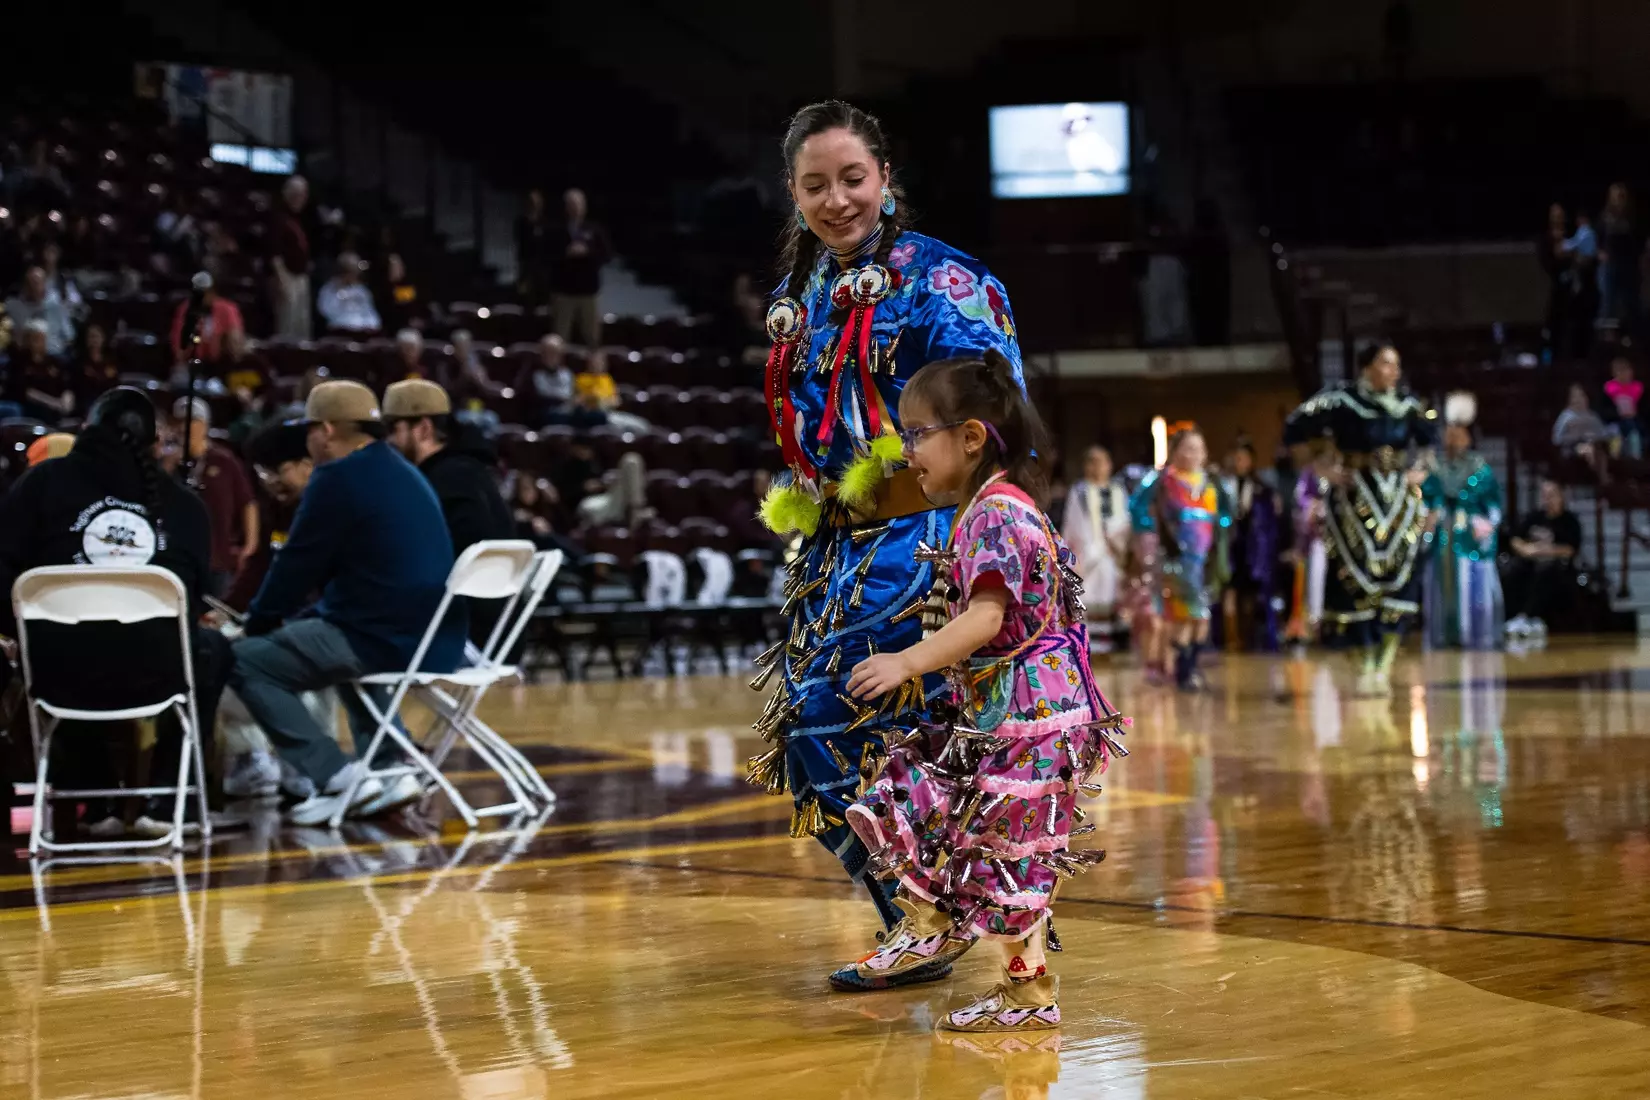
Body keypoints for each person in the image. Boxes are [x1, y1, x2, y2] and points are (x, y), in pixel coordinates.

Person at [745, 100, 1025, 942]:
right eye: (816, 185)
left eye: (852, 179)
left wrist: (984, 539)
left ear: (885, 178)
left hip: (927, 544)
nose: (836, 201)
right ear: (793, 193)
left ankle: (940, 914)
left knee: (854, 724)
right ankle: (927, 915)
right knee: (811, 742)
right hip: (836, 552)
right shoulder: (801, 293)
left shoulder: (945, 281)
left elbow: (994, 415)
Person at [833, 350, 1122, 1031]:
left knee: (1004, 850)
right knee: (939, 811)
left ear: (970, 437)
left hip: (1028, 716)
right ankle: (942, 928)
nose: (906, 451)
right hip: (1010, 710)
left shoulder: (996, 513)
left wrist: (907, 662)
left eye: (916, 434)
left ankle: (1024, 992)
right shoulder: (991, 505)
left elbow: (987, 617)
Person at [229, 380, 466, 825]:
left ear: (326, 430)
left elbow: (295, 566)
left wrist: (257, 622)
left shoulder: (336, 477)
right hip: (439, 638)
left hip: (384, 640)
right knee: (333, 636)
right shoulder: (402, 471)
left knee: (244, 661)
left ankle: (334, 776)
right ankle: (389, 766)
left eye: (309, 430)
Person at [0, 387, 228, 838]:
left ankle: (94, 798)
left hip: (56, 672)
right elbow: (196, 599)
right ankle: (167, 800)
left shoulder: (39, 485)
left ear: (87, 429)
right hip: (159, 673)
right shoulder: (184, 505)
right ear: (156, 441)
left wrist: (17, 635)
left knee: (59, 645)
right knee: (212, 652)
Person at [1284, 342, 1437, 697]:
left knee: (1398, 578)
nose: (1393, 371)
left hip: (1398, 503)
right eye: (1385, 363)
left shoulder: (1408, 405)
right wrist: (1322, 467)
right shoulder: (1342, 400)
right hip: (1354, 500)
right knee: (1355, 577)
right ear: (1367, 367)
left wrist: (1419, 471)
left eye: (1396, 364)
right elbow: (1295, 427)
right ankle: (1364, 662)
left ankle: (1384, 664)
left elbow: (1430, 441)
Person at [383, 379, 514, 644]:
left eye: (393, 429)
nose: (387, 442)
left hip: (453, 636)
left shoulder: (436, 484)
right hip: (501, 635)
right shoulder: (475, 473)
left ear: (423, 429)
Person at [1148, 425, 1229, 690]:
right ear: (1175, 452)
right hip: (1178, 560)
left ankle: (1188, 667)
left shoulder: (1212, 484)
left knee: (1200, 618)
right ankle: (1183, 670)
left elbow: (1223, 519)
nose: (1193, 454)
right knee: (1189, 616)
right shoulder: (1166, 483)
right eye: (1187, 449)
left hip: (1206, 560)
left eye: (1198, 449)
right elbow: (1148, 515)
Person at [1423, 399, 1503, 650]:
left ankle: (1474, 633)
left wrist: (1486, 522)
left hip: (1469, 535)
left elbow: (1492, 503)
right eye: (1449, 433)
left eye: (1458, 434)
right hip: (1444, 532)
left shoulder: (1478, 467)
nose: (1452, 439)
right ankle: (1444, 634)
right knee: (1443, 580)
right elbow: (1429, 496)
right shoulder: (1435, 466)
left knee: (1472, 581)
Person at [169, 397, 258, 598]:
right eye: (179, 422)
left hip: (218, 559)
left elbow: (248, 502)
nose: (184, 428)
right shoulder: (170, 464)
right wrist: (168, 466)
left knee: (219, 608)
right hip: (181, 558)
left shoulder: (224, 460)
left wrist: (250, 546)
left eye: (191, 421)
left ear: (205, 425)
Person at [1060, 445, 1128, 651]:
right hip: (1088, 554)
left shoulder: (1118, 491)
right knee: (1088, 597)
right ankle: (1090, 646)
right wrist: (1073, 556)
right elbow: (1073, 524)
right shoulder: (1080, 491)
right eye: (1092, 462)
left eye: (1102, 462)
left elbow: (1126, 521)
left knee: (1112, 596)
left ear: (1109, 465)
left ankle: (1111, 644)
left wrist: (1116, 539)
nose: (1097, 467)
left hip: (1113, 553)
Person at [1221, 438, 1281, 652]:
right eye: (1236, 458)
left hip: (1252, 550)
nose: (1239, 463)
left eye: (1243, 458)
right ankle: (1230, 638)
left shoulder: (1261, 489)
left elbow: (1269, 525)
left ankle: (1251, 638)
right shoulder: (1223, 486)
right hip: (1229, 547)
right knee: (1229, 591)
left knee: (1252, 595)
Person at [1504, 478, 1581, 640]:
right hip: (1530, 563)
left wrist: (1541, 551)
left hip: (1556, 568)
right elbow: (1515, 539)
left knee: (1545, 572)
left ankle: (1528, 616)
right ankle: (1511, 616)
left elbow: (1570, 549)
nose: (1547, 499)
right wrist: (1525, 549)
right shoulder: (1534, 517)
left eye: (1551, 495)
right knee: (1513, 570)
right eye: (1544, 495)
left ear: (1561, 496)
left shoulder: (1569, 521)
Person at [549, 188, 610, 346]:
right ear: (566, 207)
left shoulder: (594, 229)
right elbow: (547, 256)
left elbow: (606, 255)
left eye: (578, 204)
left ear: (584, 207)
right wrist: (566, 253)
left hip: (588, 292)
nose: (575, 208)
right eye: (572, 205)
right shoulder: (556, 229)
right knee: (560, 336)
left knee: (592, 337)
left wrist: (587, 252)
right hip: (563, 292)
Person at [4, 319, 75, 420]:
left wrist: (66, 400)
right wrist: (52, 402)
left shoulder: (55, 362)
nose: (39, 343)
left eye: (42, 338)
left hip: (56, 406)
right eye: (35, 338)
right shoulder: (19, 362)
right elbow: (27, 392)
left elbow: (66, 386)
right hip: (31, 406)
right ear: (27, 340)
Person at [269, 175, 313, 340]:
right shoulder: (278, 218)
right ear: (286, 194)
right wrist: (282, 279)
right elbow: (274, 253)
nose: (300, 198)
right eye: (295, 194)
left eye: (302, 194)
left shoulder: (298, 219)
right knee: (287, 325)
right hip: (287, 277)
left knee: (301, 325)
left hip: (300, 277)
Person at [168, 271, 244, 364]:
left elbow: (236, 342)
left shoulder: (228, 309)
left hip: (223, 363)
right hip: (191, 363)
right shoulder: (185, 310)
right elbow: (179, 350)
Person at [6, 265, 73, 356]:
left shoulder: (56, 305)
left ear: (44, 284)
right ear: (24, 285)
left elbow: (68, 335)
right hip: (23, 355)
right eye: (29, 283)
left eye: (36, 283)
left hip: (53, 354)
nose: (33, 287)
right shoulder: (13, 306)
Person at [514, 333, 576, 426]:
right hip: (541, 413)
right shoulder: (531, 373)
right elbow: (538, 396)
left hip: (564, 411)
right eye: (548, 352)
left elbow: (567, 394)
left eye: (556, 353)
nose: (552, 356)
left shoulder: (566, 373)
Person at [315, 252, 382, 337]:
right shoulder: (329, 289)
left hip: (363, 332)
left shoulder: (361, 290)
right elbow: (326, 311)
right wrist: (339, 292)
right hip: (340, 332)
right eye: (351, 272)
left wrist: (372, 326)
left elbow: (370, 313)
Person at [1552, 382, 1613, 460]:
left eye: (1581, 395)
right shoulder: (1566, 416)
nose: (1579, 399)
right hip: (1572, 448)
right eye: (1575, 396)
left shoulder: (1592, 415)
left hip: (1594, 445)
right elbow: (1556, 438)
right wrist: (1574, 435)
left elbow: (1603, 433)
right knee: (1590, 451)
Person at [515, 188, 554, 308]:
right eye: (532, 202)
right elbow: (520, 240)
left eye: (537, 202)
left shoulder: (546, 222)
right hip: (526, 264)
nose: (534, 205)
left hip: (543, 265)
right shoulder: (521, 221)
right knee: (526, 295)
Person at [1604, 356, 1643, 460]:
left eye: (1627, 370)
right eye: (1620, 371)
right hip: (1615, 421)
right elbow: (1605, 410)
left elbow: (1643, 409)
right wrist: (1618, 413)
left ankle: (1635, 461)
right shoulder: (1610, 388)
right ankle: (1614, 461)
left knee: (1634, 436)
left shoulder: (1637, 387)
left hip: (1634, 422)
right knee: (1614, 433)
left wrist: (1635, 413)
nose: (1625, 374)